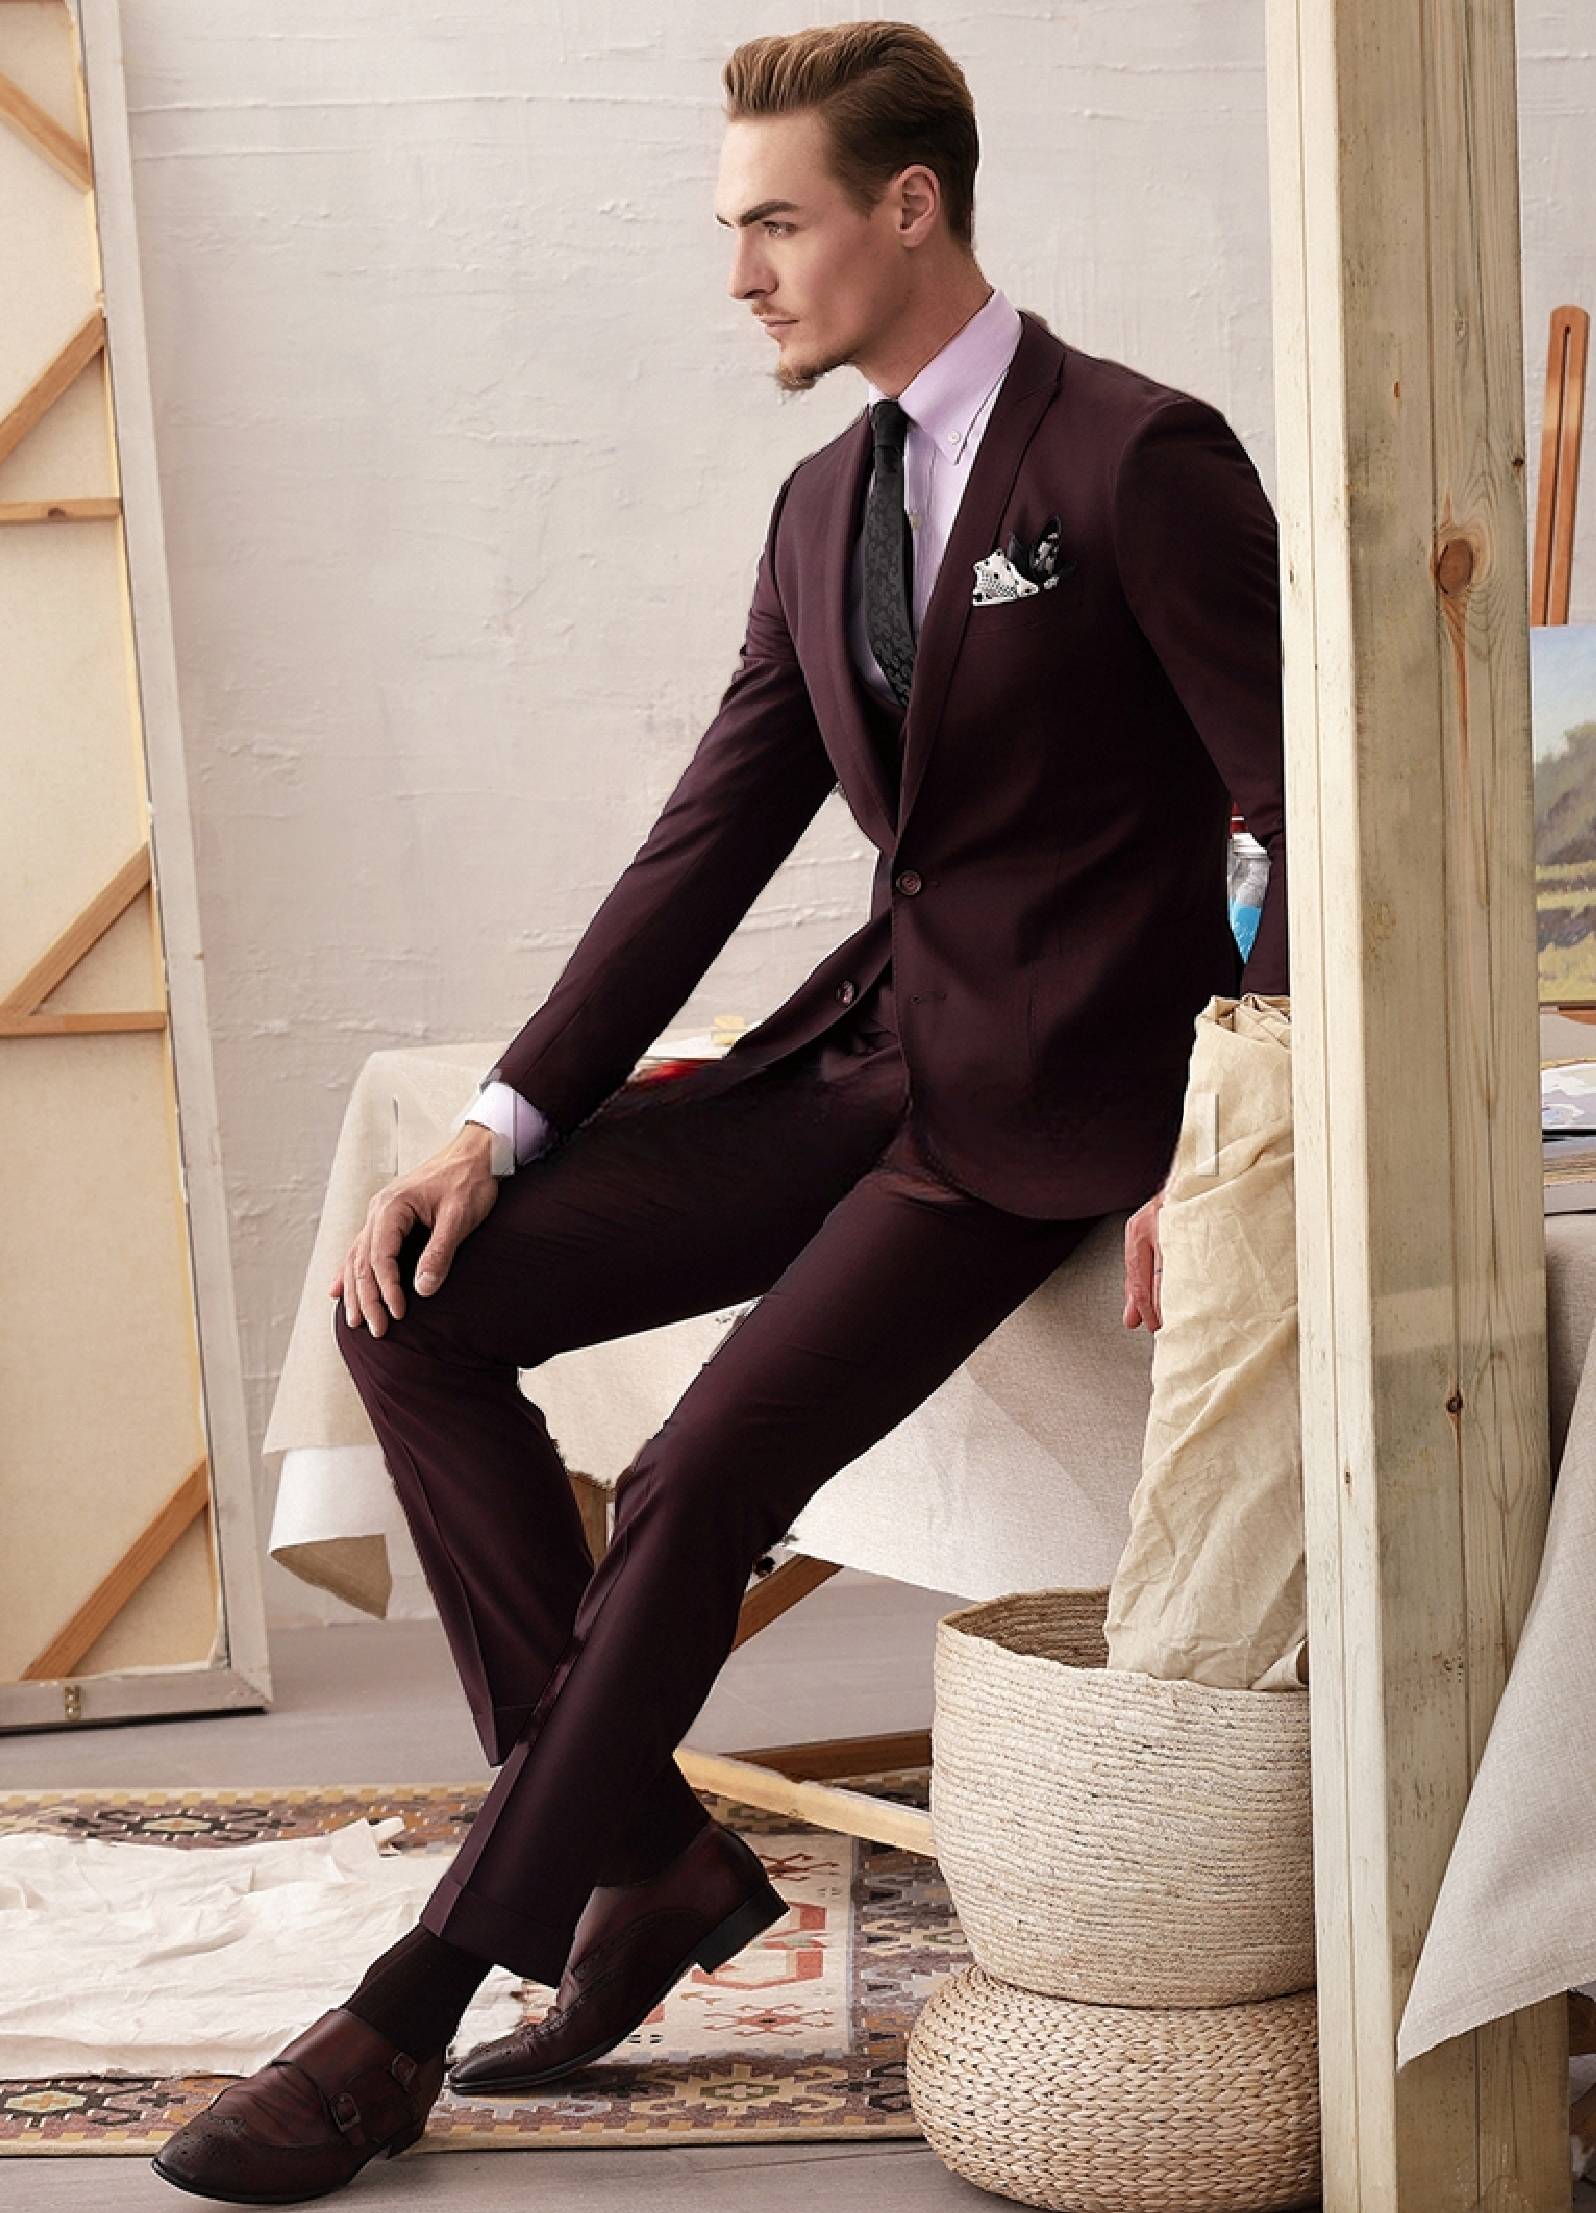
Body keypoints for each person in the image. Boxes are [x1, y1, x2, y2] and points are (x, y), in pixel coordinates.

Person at [152, 17, 1286, 2203]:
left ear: (911, 208)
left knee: (693, 1471)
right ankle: (645, 1857)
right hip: (864, 1056)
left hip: (1047, 1113)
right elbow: (703, 847)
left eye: (777, 223)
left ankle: (408, 2010)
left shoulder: (1137, 458)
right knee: (416, 1305)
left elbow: (1292, 804)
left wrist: (1237, 1139)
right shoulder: (823, 502)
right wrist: (501, 1123)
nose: (741, 272)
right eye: (732, 226)